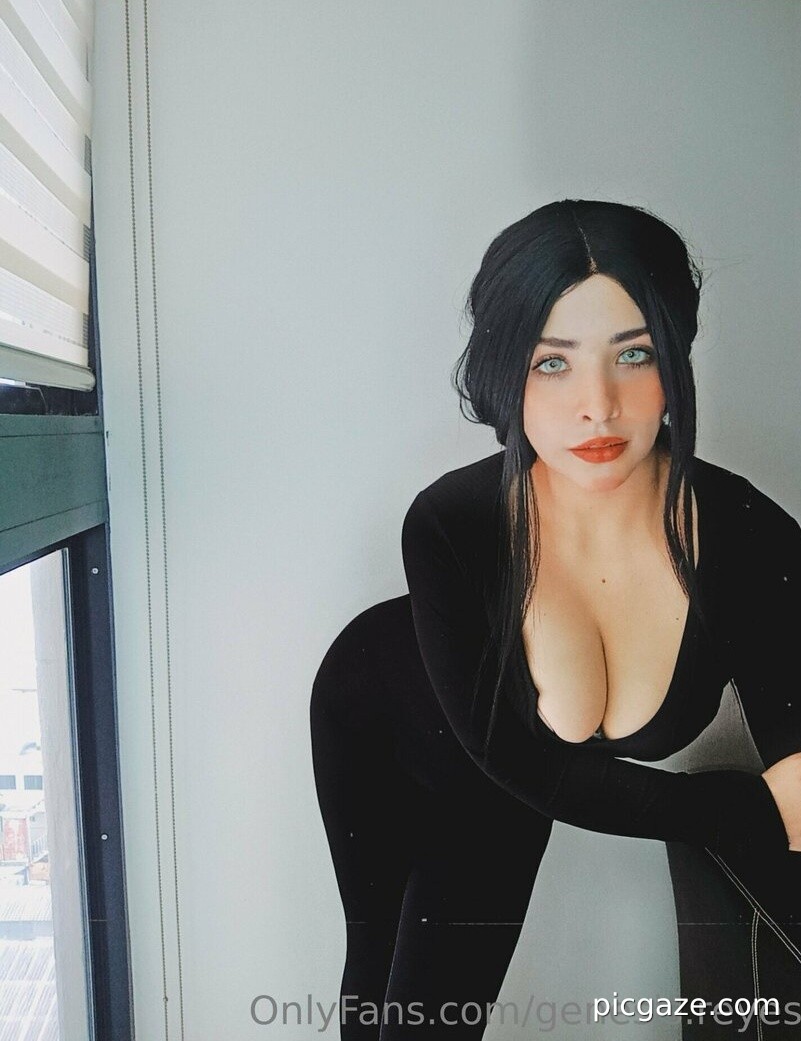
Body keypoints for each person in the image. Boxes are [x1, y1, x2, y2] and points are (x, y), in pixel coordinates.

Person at [310, 200, 801, 1040]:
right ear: (507, 367)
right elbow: (518, 762)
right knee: (398, 992)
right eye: (552, 363)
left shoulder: (745, 532)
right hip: (397, 720)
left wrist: (763, 805)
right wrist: (734, 808)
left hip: (520, 762)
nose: (597, 406)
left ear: (674, 354)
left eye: (633, 354)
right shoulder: (450, 521)